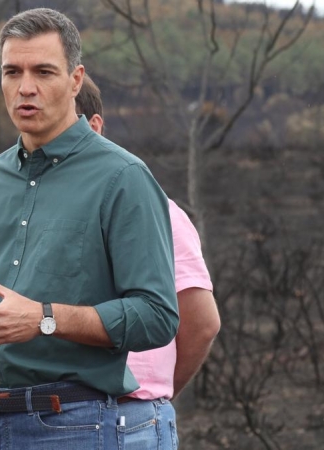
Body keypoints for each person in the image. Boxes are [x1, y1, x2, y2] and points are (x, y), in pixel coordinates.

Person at [0, 8, 179, 449]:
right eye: (12, 71)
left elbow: (157, 316)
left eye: (43, 71)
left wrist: (44, 319)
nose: (26, 87)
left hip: (72, 426)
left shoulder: (123, 178)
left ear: (76, 79)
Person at [76, 73, 221, 449]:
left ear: (95, 126)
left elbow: (202, 322)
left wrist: (154, 396)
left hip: (129, 420)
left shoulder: (158, 210)